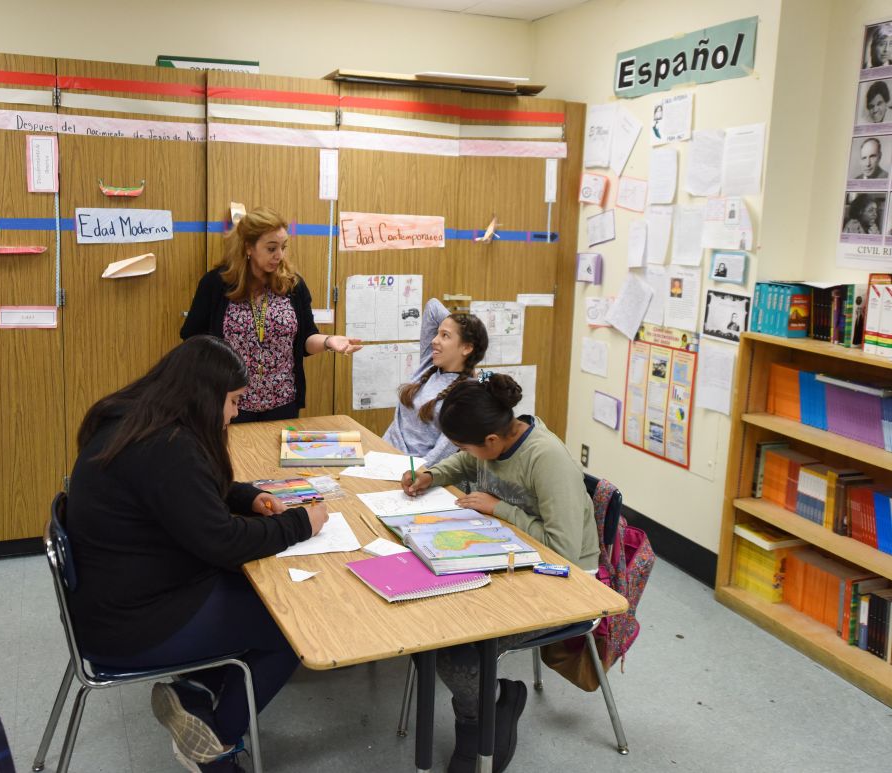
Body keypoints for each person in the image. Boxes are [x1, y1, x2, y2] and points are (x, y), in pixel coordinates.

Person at [66, 335, 328, 773]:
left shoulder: (141, 421)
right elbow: (222, 543)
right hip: (131, 624)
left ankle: (194, 691)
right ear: (205, 398)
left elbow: (192, 493)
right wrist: (303, 523)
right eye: (232, 401)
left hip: (122, 596)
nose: (236, 412)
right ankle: (218, 743)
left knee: (261, 596)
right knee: (293, 628)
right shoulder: (166, 448)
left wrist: (248, 497)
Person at [400, 373, 599, 773]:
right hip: (508, 557)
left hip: (564, 581)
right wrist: (432, 475)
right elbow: (466, 461)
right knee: (433, 630)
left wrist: (498, 509)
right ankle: (489, 707)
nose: (463, 452)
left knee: (455, 650)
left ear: (493, 440)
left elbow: (563, 552)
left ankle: (484, 720)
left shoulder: (547, 459)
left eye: (466, 444)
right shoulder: (493, 441)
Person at [182, 206, 362, 422]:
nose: (279, 256)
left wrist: (329, 341)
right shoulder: (216, 284)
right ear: (249, 247)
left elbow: (306, 338)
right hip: (230, 402)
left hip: (282, 402)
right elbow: (193, 338)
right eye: (271, 248)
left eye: (283, 247)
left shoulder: (293, 285)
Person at [383, 298, 488, 467]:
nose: (434, 340)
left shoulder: (467, 396)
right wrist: (462, 326)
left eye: (445, 335)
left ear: (467, 348)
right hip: (384, 456)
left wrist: (413, 475)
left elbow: (441, 454)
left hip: (414, 474)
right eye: (437, 333)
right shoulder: (429, 362)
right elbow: (432, 306)